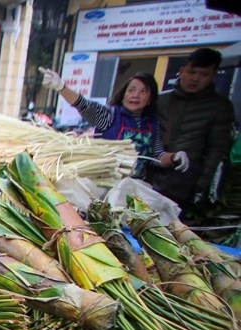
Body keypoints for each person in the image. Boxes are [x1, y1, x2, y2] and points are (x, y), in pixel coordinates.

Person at [40, 67, 185, 179]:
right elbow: (84, 105)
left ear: (150, 99)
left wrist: (174, 157)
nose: (135, 95)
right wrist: (61, 87)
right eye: (131, 90)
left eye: (143, 91)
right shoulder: (110, 116)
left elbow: (157, 156)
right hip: (104, 184)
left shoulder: (152, 125)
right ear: (124, 95)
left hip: (136, 186)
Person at [150, 47, 235, 212]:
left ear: (213, 76)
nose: (195, 78)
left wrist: (200, 189)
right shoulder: (160, 101)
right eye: (192, 72)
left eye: (204, 74)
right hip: (151, 179)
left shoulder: (220, 107)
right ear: (182, 71)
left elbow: (217, 152)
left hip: (185, 187)